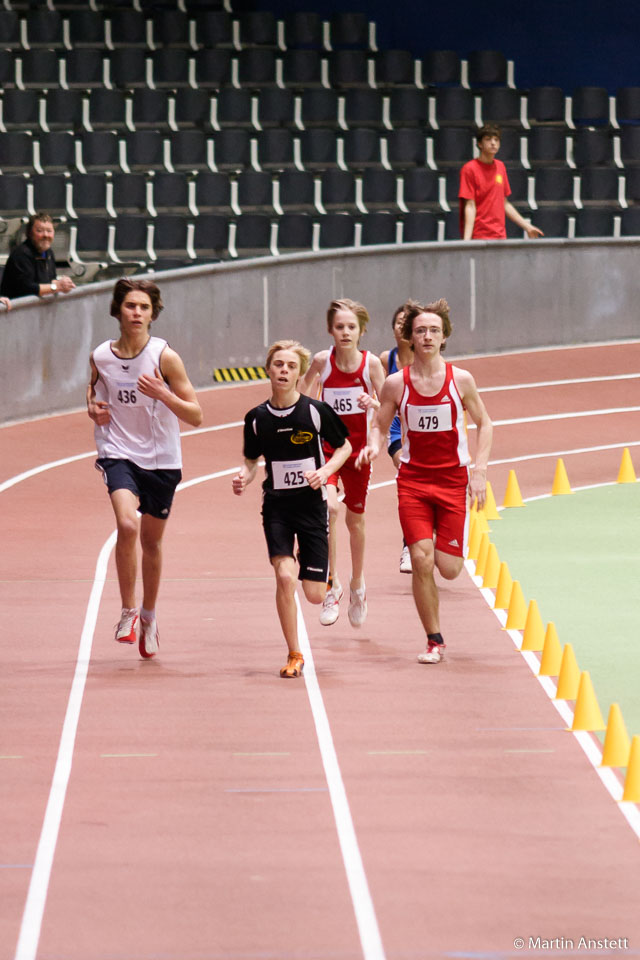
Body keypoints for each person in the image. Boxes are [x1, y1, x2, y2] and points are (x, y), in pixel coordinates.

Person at [357, 298, 493, 664]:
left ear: (444, 336)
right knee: (420, 559)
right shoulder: (395, 384)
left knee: (449, 569)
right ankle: (434, 640)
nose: (427, 336)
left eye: (434, 330)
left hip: (452, 480)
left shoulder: (460, 380)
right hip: (414, 482)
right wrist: (372, 447)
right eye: (420, 331)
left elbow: (485, 423)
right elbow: (380, 427)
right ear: (409, 338)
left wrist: (478, 472)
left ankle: (447, 537)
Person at [86, 277, 202, 659]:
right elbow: (95, 388)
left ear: (153, 314)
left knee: (151, 542)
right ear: (118, 310)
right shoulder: (101, 355)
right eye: (130, 306)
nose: (136, 313)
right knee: (127, 525)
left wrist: (163, 393)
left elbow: (197, 415)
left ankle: (149, 618)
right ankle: (127, 611)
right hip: (117, 452)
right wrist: (92, 406)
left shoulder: (164, 357)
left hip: (162, 460)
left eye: (144, 307)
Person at [233, 340, 351, 678]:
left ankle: (330, 580)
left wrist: (326, 472)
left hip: (312, 506)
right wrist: (245, 476)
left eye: (290, 366)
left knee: (313, 596)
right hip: (278, 508)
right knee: (285, 577)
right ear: (268, 370)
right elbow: (251, 462)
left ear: (299, 374)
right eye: (278, 365)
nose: (284, 370)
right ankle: (294, 653)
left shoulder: (314, 411)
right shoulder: (256, 419)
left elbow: (344, 446)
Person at [299, 299, 385, 629]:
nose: (345, 332)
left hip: (359, 453)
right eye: (339, 327)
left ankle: (357, 586)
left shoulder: (371, 365)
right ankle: (332, 586)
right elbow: (302, 396)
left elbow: (389, 406)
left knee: (355, 522)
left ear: (361, 331)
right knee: (330, 510)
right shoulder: (322, 362)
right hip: (328, 451)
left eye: (351, 327)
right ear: (330, 330)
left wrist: (372, 403)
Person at [459, 124, 544, 241]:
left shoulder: (500, 167)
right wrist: (466, 241)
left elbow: (504, 203)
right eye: (488, 139)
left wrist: (527, 227)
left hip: (500, 236)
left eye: (496, 140)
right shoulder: (469, 169)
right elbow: (470, 206)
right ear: (479, 144)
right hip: (479, 236)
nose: (493, 143)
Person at [379, 303, 414, 574]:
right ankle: (408, 546)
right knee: (408, 475)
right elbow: (382, 399)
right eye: (398, 322)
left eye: (407, 323)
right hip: (396, 430)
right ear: (392, 329)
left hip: (424, 433)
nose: (402, 327)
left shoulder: (427, 358)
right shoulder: (385, 360)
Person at [0, 213, 76, 301]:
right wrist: (56, 286)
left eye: (49, 231)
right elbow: (28, 288)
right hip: (16, 311)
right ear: (29, 233)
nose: (46, 235)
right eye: (40, 231)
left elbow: (49, 281)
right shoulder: (21, 254)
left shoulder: (48, 253)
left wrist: (62, 283)